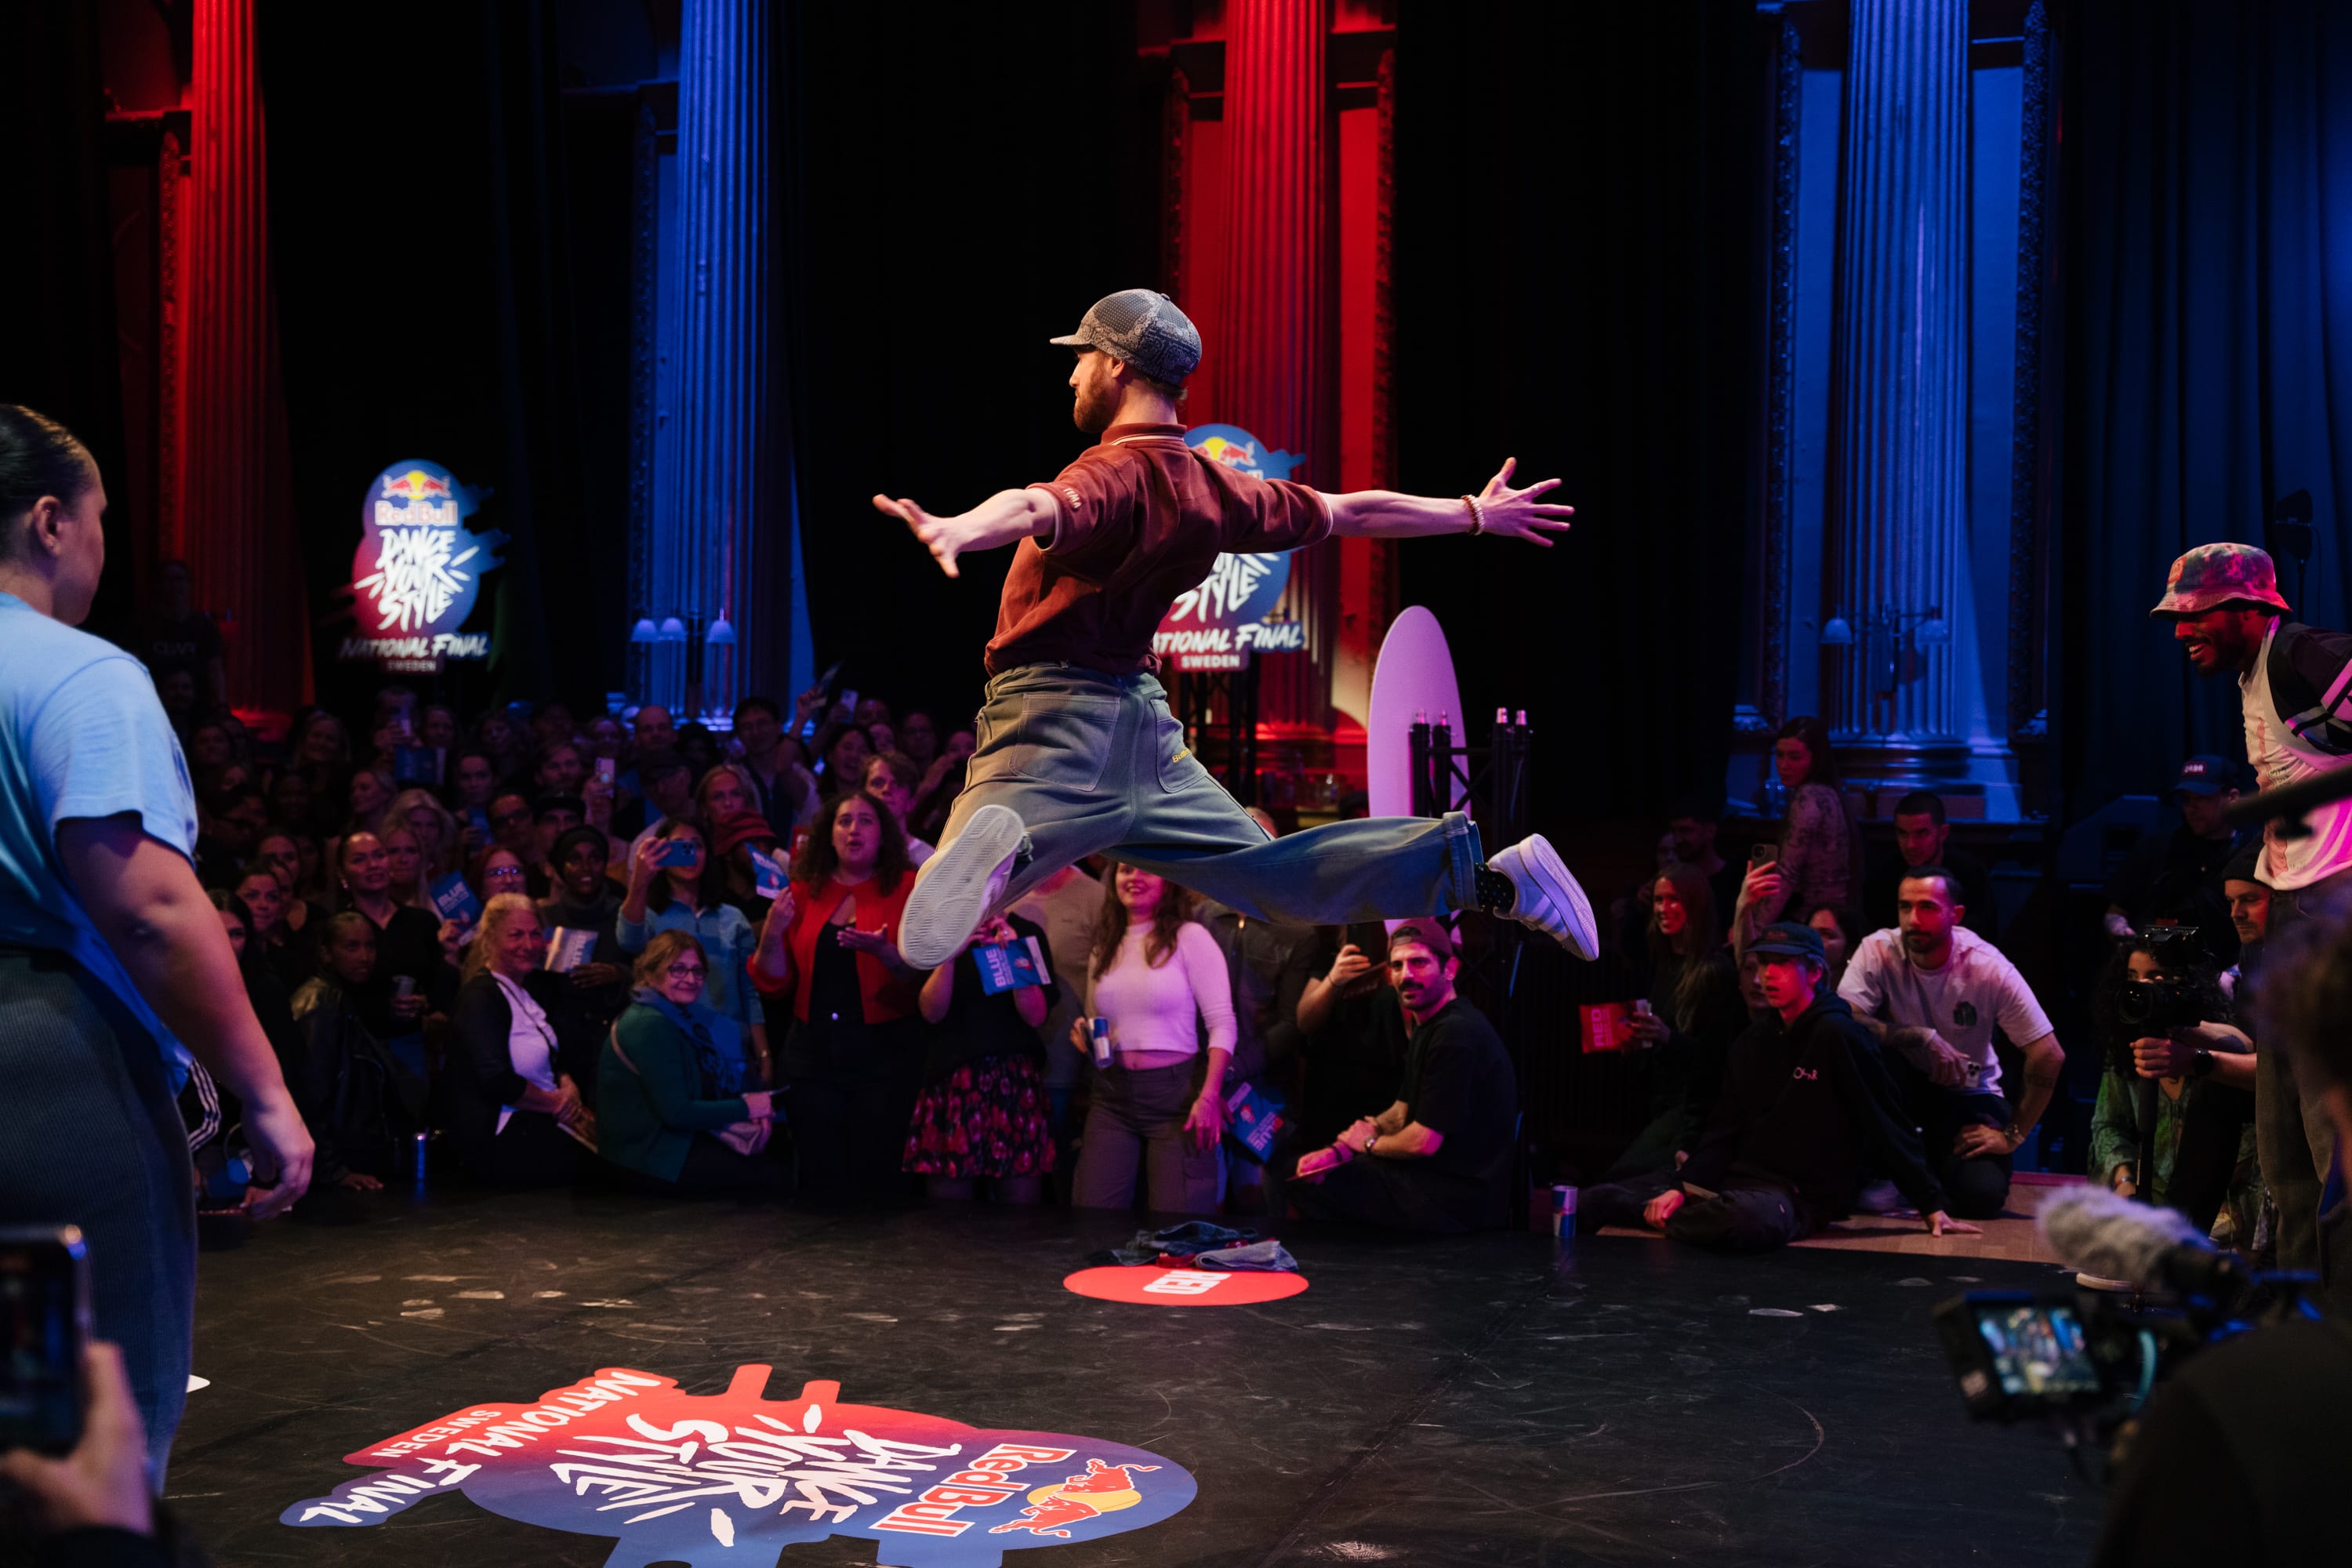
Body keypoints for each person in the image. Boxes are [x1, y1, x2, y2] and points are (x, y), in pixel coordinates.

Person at [872, 288, 1596, 975]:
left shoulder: (1111, 475)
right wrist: (1473, 513)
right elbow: (1353, 511)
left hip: (1051, 723)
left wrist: (960, 528)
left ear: (1117, 365)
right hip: (1145, 735)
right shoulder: (1216, 488)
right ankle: (1494, 879)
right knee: (1277, 881)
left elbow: (1034, 507)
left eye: (1082, 357)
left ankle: (1001, 833)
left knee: (948, 891)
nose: (1073, 376)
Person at [0, 404, 312, 1478]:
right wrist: (263, 1092)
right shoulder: (79, 675)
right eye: (99, 520)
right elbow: (149, 909)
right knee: (88, 1433)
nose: (101, 546)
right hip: (46, 1069)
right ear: (51, 521)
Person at [2091, 909, 2352, 1567]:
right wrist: (2124, 1182)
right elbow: (2109, 1127)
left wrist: (2201, 1056)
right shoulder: (2131, 1048)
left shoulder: (2235, 1395)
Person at [2156, 542, 2352, 1279]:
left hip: (2331, 912)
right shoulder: (2256, 674)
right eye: (2179, 618)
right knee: (2284, 1148)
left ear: (2249, 609)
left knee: (2332, 1137)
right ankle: (2301, 1304)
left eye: (2198, 614)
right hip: (2289, 912)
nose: (2183, 631)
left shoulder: (2304, 654)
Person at [1581, 922, 1976, 1250]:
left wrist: (1929, 1203)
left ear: (1815, 973)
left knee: (1746, 1220)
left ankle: (1666, 1215)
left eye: (1782, 964)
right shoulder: (1753, 1041)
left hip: (1794, 1194)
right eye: (1763, 963)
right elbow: (1724, 1129)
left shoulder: (1839, 1035)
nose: (1767, 975)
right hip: (1734, 1178)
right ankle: (1674, 1211)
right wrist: (1684, 1187)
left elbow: (1884, 1119)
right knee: (1594, 1199)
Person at [1837, 867, 2067, 1218]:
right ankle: (1903, 1172)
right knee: (1859, 1049)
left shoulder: (1988, 967)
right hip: (1902, 1085)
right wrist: (1920, 1037)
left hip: (1970, 1089)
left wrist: (2013, 1135)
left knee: (1982, 1196)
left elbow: (2048, 1054)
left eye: (1928, 907)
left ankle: (1922, 1175)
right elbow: (1843, 1019)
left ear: (1955, 915)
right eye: (1905, 907)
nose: (1913, 920)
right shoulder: (1878, 949)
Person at [1288, 919, 1516, 1232]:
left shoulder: (1456, 1034)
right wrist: (1338, 1150)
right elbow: (1400, 1111)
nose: (1406, 975)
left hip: (1459, 1200)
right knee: (1310, 1173)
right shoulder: (1429, 1023)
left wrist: (1367, 1143)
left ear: (1450, 969)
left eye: (1418, 962)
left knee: (1316, 1186)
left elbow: (1422, 1143)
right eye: (1397, 965)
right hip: (1437, 1182)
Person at [750, 790, 923, 1200]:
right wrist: (772, 932)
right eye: (844, 821)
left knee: (876, 1178)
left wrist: (886, 953)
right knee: (821, 1177)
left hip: (884, 1052)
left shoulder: (909, 888)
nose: (853, 830)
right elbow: (773, 984)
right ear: (828, 834)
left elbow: (921, 981)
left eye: (866, 821)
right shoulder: (802, 892)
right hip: (813, 1053)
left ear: (883, 834)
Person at [1069, 866, 1235, 1214]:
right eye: (1126, 870)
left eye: (1147, 871)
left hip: (1175, 1096)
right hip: (1111, 1094)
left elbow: (1222, 1023)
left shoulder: (1191, 937)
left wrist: (1209, 1094)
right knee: (1092, 1217)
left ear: (1167, 881)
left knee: (1177, 1226)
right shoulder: (1105, 944)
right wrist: (1087, 1034)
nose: (1134, 878)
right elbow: (1097, 1016)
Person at [2086, 938, 2258, 1242]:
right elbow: (2108, 1125)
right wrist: (2126, 1183)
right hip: (2148, 1191)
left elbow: (2245, 1047)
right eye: (2132, 977)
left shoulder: (2206, 1038)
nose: (2141, 987)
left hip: (2223, 1200)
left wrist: (2187, 1041)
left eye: (2155, 978)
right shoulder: (2124, 1047)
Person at [598, 931, 780, 1193]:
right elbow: (678, 1113)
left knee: (774, 1153)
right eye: (678, 970)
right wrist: (745, 1108)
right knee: (771, 1177)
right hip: (647, 1156)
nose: (691, 979)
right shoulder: (649, 1025)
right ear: (651, 974)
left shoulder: (678, 1017)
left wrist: (750, 1107)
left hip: (665, 1144)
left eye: (697, 971)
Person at [904, 912, 1059, 1204]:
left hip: (1013, 1082)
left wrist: (1014, 953)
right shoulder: (943, 930)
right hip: (953, 1080)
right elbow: (931, 1013)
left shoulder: (1025, 932)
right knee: (947, 1214)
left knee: (1022, 1213)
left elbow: (1036, 1017)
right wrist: (950, 956)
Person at [1605, 862, 1747, 1180]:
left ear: (1695, 906)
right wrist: (1636, 1040)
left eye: (1674, 899)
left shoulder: (1713, 972)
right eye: (1658, 899)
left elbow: (1717, 1060)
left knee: (1621, 1178)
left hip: (1691, 1112)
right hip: (1659, 1100)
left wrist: (1667, 1037)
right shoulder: (1663, 962)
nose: (1663, 909)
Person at [445, 893, 590, 1184]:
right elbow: (494, 1078)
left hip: (539, 1122)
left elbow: (552, 1056)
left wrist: (567, 1083)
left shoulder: (526, 991)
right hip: (503, 1134)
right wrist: (554, 1103)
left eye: (535, 934)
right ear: (490, 939)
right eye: (516, 935)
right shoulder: (480, 997)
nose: (528, 945)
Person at [284, 912, 424, 1193]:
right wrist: (332, 1170)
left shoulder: (341, 997)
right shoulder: (320, 1003)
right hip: (331, 1166)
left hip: (348, 1155)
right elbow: (311, 1093)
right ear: (326, 953)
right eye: (352, 947)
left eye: (370, 946)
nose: (364, 956)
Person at [619, 818, 765, 1082]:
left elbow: (749, 991)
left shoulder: (732, 918)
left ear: (708, 854)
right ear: (663, 853)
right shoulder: (649, 915)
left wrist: (763, 1053)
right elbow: (628, 941)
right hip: (669, 1048)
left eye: (696, 845)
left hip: (729, 1049)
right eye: (679, 846)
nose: (690, 854)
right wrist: (639, 881)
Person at [2100, 755, 2245, 964]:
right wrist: (2122, 933)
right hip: (2157, 969)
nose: (2191, 808)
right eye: (2186, 799)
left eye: (2201, 798)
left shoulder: (2250, 854)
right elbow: (2115, 913)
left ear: (2232, 797)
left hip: (2225, 973)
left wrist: (2233, 972)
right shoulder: (2156, 848)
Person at [1740, 716, 1861, 941]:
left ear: (1816, 759)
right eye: (1780, 755)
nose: (1784, 765)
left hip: (1811, 922)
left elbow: (1787, 873)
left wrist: (1753, 929)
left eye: (1795, 757)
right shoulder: (1830, 793)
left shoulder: (1808, 797)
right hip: (1836, 918)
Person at [1864, 791, 1995, 942]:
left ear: (1943, 833)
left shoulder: (1970, 873)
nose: (1910, 845)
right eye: (1903, 834)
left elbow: (1982, 934)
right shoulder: (1883, 876)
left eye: (1921, 834)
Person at [1664, 793, 1742, 935]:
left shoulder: (1734, 883)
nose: (1677, 840)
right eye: (1674, 832)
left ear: (1710, 831)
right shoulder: (1670, 882)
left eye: (1685, 831)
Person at [864, 751, 936, 864]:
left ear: (911, 802)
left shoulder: (929, 860)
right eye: (877, 783)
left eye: (897, 784)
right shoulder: (848, 855)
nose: (886, 789)